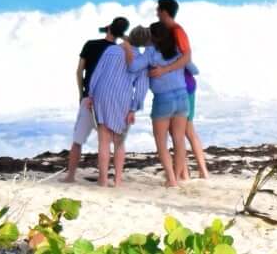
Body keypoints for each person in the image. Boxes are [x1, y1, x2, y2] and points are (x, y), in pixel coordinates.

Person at [139, 20, 205, 187]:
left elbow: (134, 66)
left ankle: (172, 179)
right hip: (182, 97)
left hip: (164, 99)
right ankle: (177, 175)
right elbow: (194, 70)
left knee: (161, 142)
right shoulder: (177, 49)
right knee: (179, 140)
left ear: (153, 38)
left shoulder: (150, 52)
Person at [65, 16, 132, 182]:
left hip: (89, 98)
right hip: (112, 101)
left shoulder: (91, 44)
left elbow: (79, 71)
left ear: (109, 27)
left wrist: (82, 93)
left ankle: (70, 176)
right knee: (115, 142)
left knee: (78, 140)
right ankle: (116, 179)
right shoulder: (119, 52)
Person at [82, 28, 146, 186]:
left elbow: (97, 73)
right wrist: (134, 108)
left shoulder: (111, 50)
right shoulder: (142, 59)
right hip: (122, 98)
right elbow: (141, 88)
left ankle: (103, 180)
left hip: (102, 94)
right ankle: (117, 181)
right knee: (119, 142)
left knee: (103, 141)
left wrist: (90, 94)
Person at [156, 0, 196, 100]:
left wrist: (164, 70)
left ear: (164, 12)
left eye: (158, 10)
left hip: (185, 86)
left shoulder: (177, 31)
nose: (157, 14)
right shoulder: (164, 31)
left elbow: (187, 57)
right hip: (174, 87)